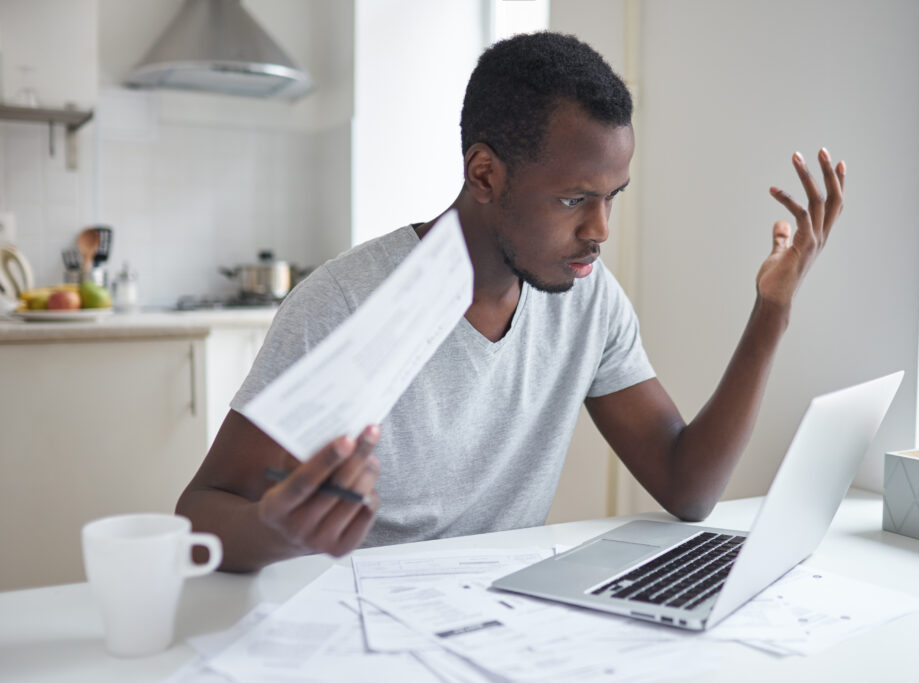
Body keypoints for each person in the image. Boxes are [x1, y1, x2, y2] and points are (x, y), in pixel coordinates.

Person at [176, 31, 844, 573]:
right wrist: (276, 528)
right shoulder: (348, 302)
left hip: (504, 623)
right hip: (361, 628)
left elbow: (687, 484)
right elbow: (202, 510)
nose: (600, 229)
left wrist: (771, 311)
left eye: (614, 195)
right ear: (485, 174)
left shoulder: (587, 299)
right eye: (573, 198)